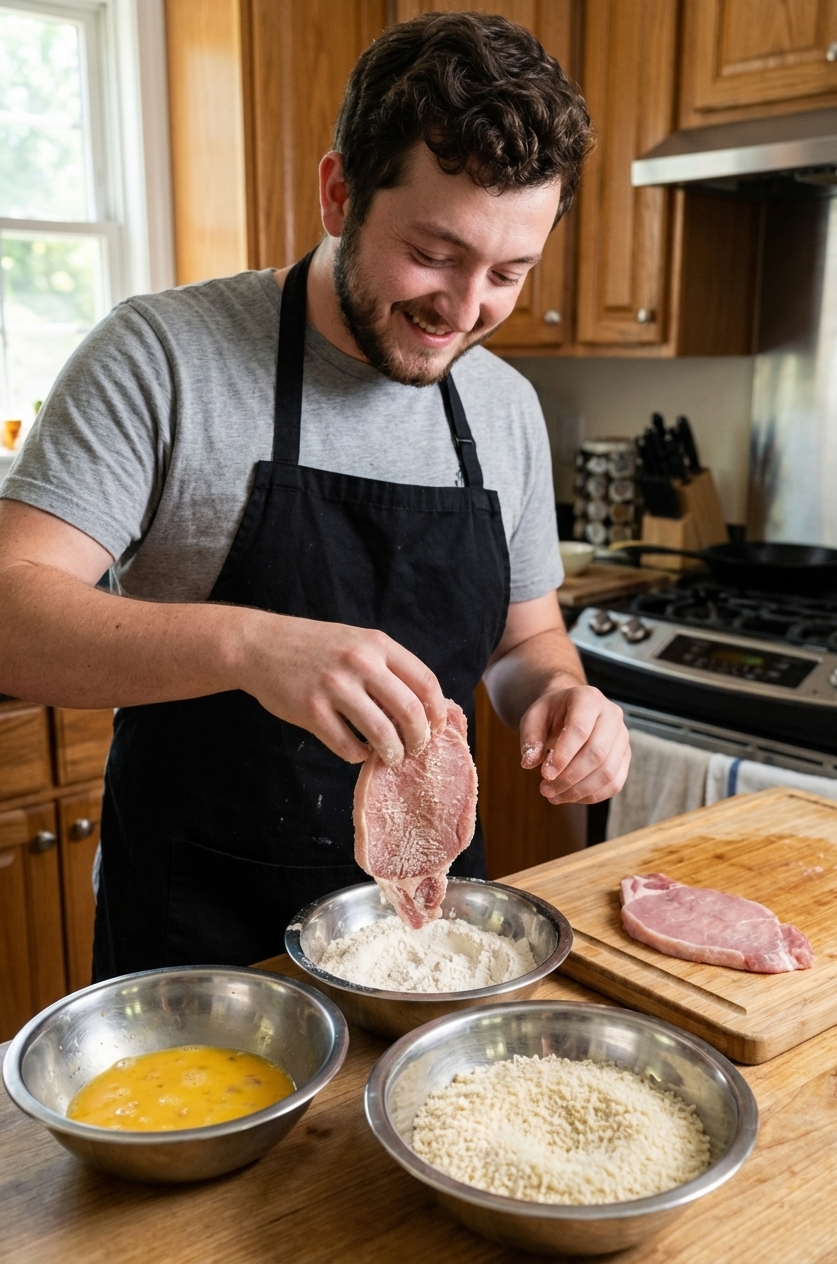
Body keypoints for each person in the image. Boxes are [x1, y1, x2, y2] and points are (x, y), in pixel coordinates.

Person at [0, 11, 630, 980]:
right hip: (203, 962)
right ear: (340, 194)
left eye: (509, 273)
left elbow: (524, 641)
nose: (464, 315)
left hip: (430, 948)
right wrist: (252, 647)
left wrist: (563, 697)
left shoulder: (504, 408)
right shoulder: (164, 357)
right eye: (434, 254)